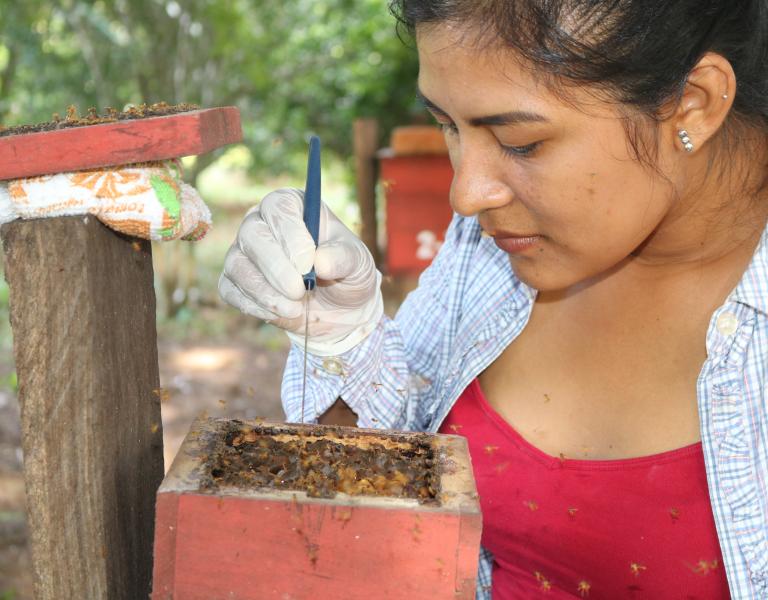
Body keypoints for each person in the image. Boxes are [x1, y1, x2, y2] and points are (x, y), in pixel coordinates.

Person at [219, 1, 768, 597]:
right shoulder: (496, 245)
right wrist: (343, 339)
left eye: (521, 142)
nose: (466, 195)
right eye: (449, 126)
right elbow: (381, 490)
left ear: (695, 102)